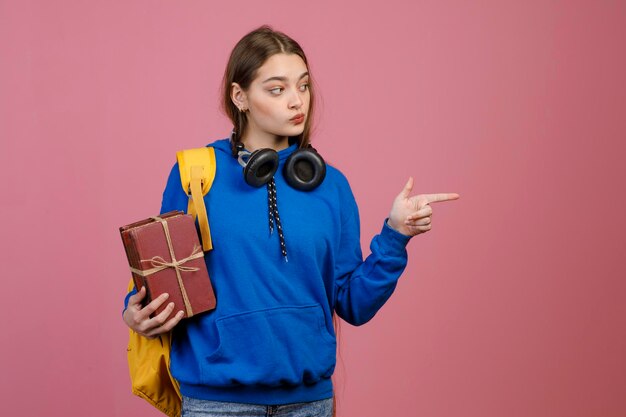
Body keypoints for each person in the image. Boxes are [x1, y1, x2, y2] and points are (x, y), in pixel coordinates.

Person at [123, 25, 459, 417]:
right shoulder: (195, 173)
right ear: (240, 96)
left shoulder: (331, 186)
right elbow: (162, 274)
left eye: (303, 86)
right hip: (217, 403)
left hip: (310, 403)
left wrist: (396, 235)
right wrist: (135, 310)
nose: (297, 101)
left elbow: (353, 304)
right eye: (277, 89)